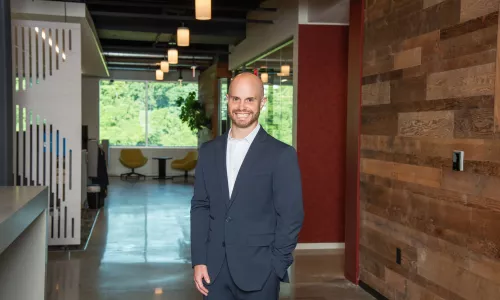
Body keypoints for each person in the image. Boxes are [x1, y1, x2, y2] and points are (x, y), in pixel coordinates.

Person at [190, 72, 304, 300]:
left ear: (262, 103)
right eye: (236, 99)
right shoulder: (208, 151)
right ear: (228, 101)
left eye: (250, 99)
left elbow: (291, 216)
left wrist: (276, 267)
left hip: (260, 273)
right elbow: (200, 206)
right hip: (214, 272)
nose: (242, 106)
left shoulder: (281, 155)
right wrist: (199, 260)